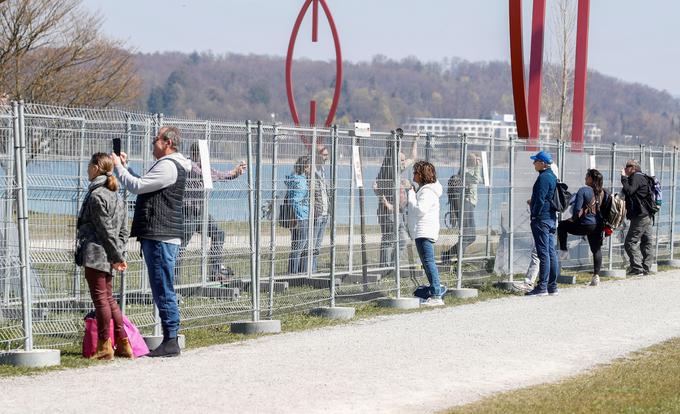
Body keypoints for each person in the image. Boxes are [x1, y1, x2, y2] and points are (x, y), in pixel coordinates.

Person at [112, 126, 192, 358]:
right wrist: (125, 168)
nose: (152, 143)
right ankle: (170, 338)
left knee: (162, 286)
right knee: (161, 285)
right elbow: (144, 182)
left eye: (155, 139)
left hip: (160, 234)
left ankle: (170, 339)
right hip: (161, 233)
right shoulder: (169, 165)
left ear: (167, 142)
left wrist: (117, 167)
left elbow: (137, 186)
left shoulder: (168, 165)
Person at [76, 153, 130, 360]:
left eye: (89, 165)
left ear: (96, 168)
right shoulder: (116, 196)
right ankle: (123, 344)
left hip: (97, 254)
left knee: (101, 300)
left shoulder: (97, 195)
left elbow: (105, 229)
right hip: (110, 253)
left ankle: (104, 345)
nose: (87, 168)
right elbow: (123, 231)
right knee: (109, 300)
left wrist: (115, 256)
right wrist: (119, 252)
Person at [180, 142, 246, 281]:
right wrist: (232, 172)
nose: (206, 158)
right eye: (203, 155)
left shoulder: (202, 167)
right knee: (180, 247)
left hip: (200, 212)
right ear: (195, 154)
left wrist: (235, 173)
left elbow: (216, 175)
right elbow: (209, 175)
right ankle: (173, 281)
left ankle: (215, 272)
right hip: (188, 212)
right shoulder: (189, 165)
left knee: (218, 234)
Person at [374, 130, 418, 269]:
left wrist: (415, 140)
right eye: (401, 160)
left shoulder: (400, 172)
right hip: (388, 212)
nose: (405, 163)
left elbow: (414, 157)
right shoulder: (387, 170)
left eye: (404, 160)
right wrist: (386, 202)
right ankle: (384, 267)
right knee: (388, 239)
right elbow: (377, 187)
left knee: (402, 241)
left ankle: (393, 266)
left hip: (398, 211)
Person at [557, 169, 606, 286]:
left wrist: (572, 219)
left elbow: (577, 209)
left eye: (586, 176)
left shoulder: (583, 190)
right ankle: (596, 276)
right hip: (598, 225)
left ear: (591, 179)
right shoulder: (603, 192)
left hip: (585, 225)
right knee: (596, 250)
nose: (585, 178)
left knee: (562, 226)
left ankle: (563, 250)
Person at [407, 161, 445, 306]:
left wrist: (411, 195)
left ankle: (436, 295)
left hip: (424, 231)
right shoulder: (426, 190)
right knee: (427, 262)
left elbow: (419, 210)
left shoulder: (427, 191)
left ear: (421, 175)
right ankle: (434, 291)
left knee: (429, 263)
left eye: (415, 173)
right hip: (423, 231)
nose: (413, 175)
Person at [525, 150, 560, 297]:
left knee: (543, 253)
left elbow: (539, 199)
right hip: (551, 218)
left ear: (543, 163)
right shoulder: (552, 176)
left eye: (536, 161)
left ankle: (542, 287)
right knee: (551, 252)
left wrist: (534, 214)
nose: (534, 163)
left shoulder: (544, 178)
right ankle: (552, 286)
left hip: (542, 219)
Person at [442, 152, 483, 261]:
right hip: (466, 204)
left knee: (466, 236)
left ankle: (454, 258)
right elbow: (476, 180)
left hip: (468, 204)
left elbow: (481, 180)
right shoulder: (466, 172)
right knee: (469, 236)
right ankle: (448, 256)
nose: (476, 161)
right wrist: (478, 165)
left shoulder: (469, 171)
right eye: (473, 159)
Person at [620, 159, 655, 275]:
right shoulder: (643, 177)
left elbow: (629, 191)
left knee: (630, 242)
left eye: (627, 166)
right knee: (647, 241)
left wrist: (623, 178)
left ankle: (637, 267)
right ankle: (646, 267)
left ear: (633, 168)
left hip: (640, 215)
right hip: (647, 214)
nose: (625, 168)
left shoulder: (636, 177)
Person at [285, 155, 311, 274]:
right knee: (300, 245)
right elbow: (298, 198)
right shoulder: (301, 180)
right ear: (306, 166)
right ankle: (295, 273)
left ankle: (295, 271)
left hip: (294, 215)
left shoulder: (293, 178)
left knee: (296, 244)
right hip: (301, 215)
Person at [311, 146, 330, 272]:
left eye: (327, 155)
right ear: (317, 155)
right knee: (312, 243)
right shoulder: (312, 172)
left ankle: (314, 268)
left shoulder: (322, 170)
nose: (326, 157)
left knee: (318, 245)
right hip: (316, 213)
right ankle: (309, 269)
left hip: (324, 213)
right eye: (324, 155)